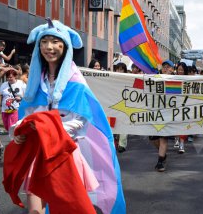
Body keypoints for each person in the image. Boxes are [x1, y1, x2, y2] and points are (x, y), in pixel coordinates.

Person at [9, 19, 125, 213]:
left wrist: (51, 131)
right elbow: (30, 114)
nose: (49, 47)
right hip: (38, 152)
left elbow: (79, 119)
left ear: (65, 45)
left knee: (65, 208)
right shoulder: (37, 81)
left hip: (65, 153)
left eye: (55, 41)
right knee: (35, 210)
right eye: (44, 41)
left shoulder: (75, 80)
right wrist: (18, 129)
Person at [151, 59, 174, 172]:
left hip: (169, 113)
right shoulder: (155, 78)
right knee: (154, 139)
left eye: (168, 67)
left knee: (163, 138)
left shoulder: (176, 80)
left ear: (172, 69)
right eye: (164, 66)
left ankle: (160, 162)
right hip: (155, 113)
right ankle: (163, 155)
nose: (165, 68)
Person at [115, 62, 129, 153]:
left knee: (124, 123)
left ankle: (122, 145)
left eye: (121, 69)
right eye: (118, 69)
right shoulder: (110, 78)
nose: (119, 71)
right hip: (113, 104)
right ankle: (116, 139)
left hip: (125, 105)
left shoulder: (128, 79)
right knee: (114, 124)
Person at [176, 62, 189, 153]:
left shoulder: (189, 79)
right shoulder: (172, 78)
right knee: (175, 124)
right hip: (174, 105)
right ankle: (176, 138)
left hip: (185, 105)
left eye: (182, 70)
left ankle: (181, 143)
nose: (180, 71)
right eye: (179, 70)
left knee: (183, 125)